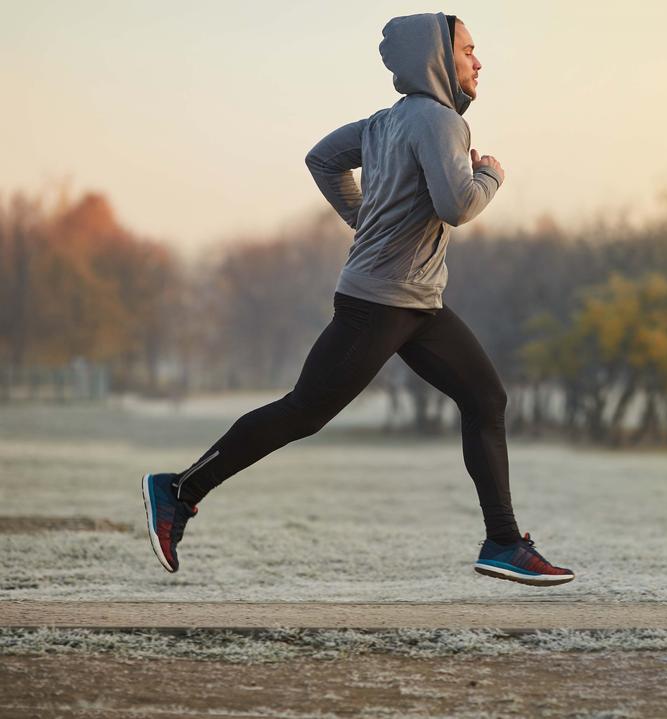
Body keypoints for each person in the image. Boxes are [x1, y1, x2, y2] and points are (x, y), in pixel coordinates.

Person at [141, 12, 574, 587]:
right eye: (469, 50)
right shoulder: (441, 123)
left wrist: (362, 217)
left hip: (418, 304)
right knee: (304, 411)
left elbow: (322, 158)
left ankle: (502, 542)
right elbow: (457, 205)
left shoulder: (386, 122)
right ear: (439, 58)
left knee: (486, 399)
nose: (478, 62)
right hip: (380, 303)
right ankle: (178, 491)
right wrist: (491, 175)